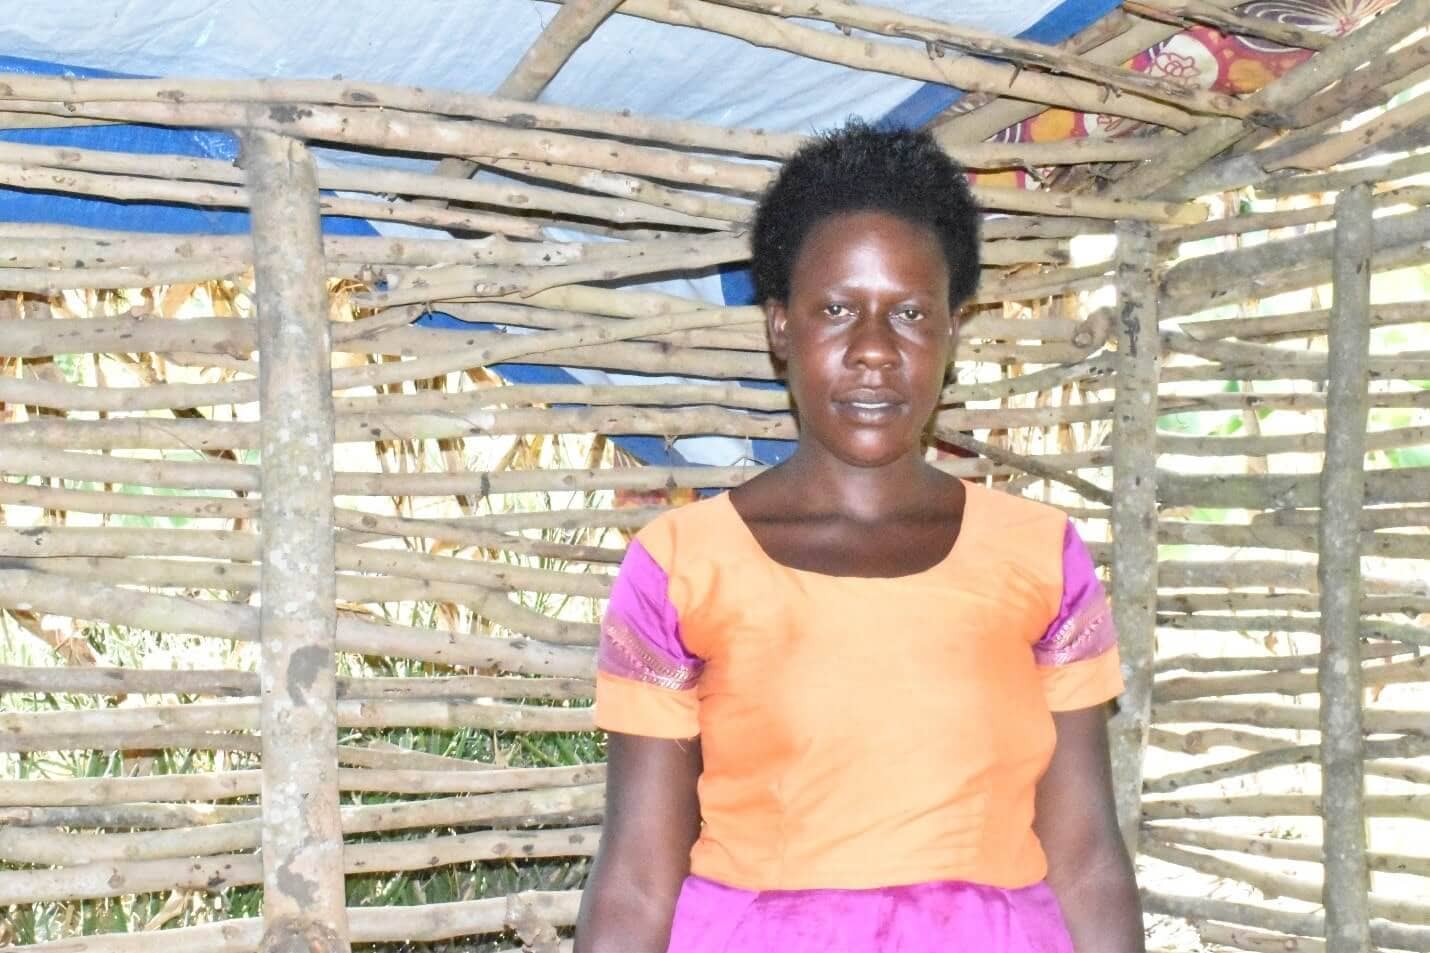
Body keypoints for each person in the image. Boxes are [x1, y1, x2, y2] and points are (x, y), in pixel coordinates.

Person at [575, 121, 1143, 953]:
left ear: (954, 329)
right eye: (836, 308)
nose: (874, 350)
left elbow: (1087, 857)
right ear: (780, 327)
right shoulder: (682, 565)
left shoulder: (1038, 556)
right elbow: (635, 875)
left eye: (909, 312)